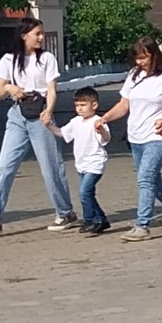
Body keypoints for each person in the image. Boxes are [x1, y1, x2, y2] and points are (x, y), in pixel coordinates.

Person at [0, 20, 74, 234]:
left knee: (51, 167)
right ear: (24, 35)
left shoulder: (47, 58)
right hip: (17, 115)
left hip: (40, 114)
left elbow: (52, 89)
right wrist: (10, 88)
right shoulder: (9, 59)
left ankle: (65, 213)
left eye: (42, 33)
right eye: (37, 33)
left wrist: (49, 110)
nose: (41, 38)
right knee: (5, 166)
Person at [100, 35, 162, 240]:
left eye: (144, 57)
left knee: (146, 178)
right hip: (135, 137)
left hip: (158, 136)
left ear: (154, 55)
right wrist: (104, 118)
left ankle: (142, 225)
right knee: (152, 179)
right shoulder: (134, 75)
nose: (139, 62)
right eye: (137, 58)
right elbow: (124, 105)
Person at [60, 87, 113, 234]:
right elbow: (63, 133)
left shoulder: (98, 121)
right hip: (81, 164)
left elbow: (106, 139)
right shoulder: (76, 121)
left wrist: (101, 129)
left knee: (84, 192)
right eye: (77, 105)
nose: (80, 109)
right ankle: (100, 220)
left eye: (83, 105)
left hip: (95, 163)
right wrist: (47, 125)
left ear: (94, 105)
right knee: (88, 194)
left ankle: (91, 220)